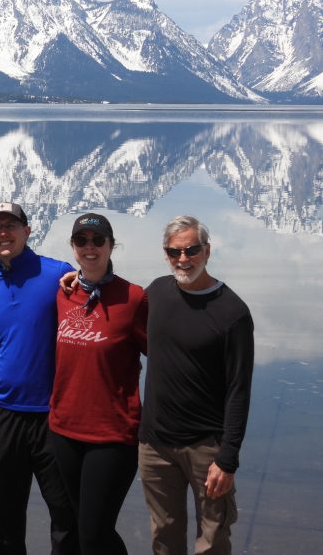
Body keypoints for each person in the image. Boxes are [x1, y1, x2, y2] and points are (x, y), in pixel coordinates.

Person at [139, 215, 254, 554]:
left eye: (191, 250)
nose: (184, 259)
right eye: (175, 252)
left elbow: (239, 389)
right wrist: (76, 281)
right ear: (166, 254)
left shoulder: (232, 312)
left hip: (207, 448)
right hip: (155, 445)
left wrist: (228, 457)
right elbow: (115, 313)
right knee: (164, 536)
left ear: (207, 250)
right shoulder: (156, 292)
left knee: (213, 540)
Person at [0, 201, 79, 555]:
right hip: (5, 414)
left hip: (53, 415)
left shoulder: (58, 275)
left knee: (65, 513)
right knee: (5, 515)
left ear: (27, 230)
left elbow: (95, 301)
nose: (3, 233)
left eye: (11, 226)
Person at [49, 213, 148, 554]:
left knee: (93, 533)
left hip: (112, 435)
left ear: (111, 245)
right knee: (85, 526)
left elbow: (164, 355)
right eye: (81, 241)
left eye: (97, 240)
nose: (89, 248)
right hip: (64, 430)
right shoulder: (63, 293)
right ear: (73, 247)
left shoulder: (133, 298)